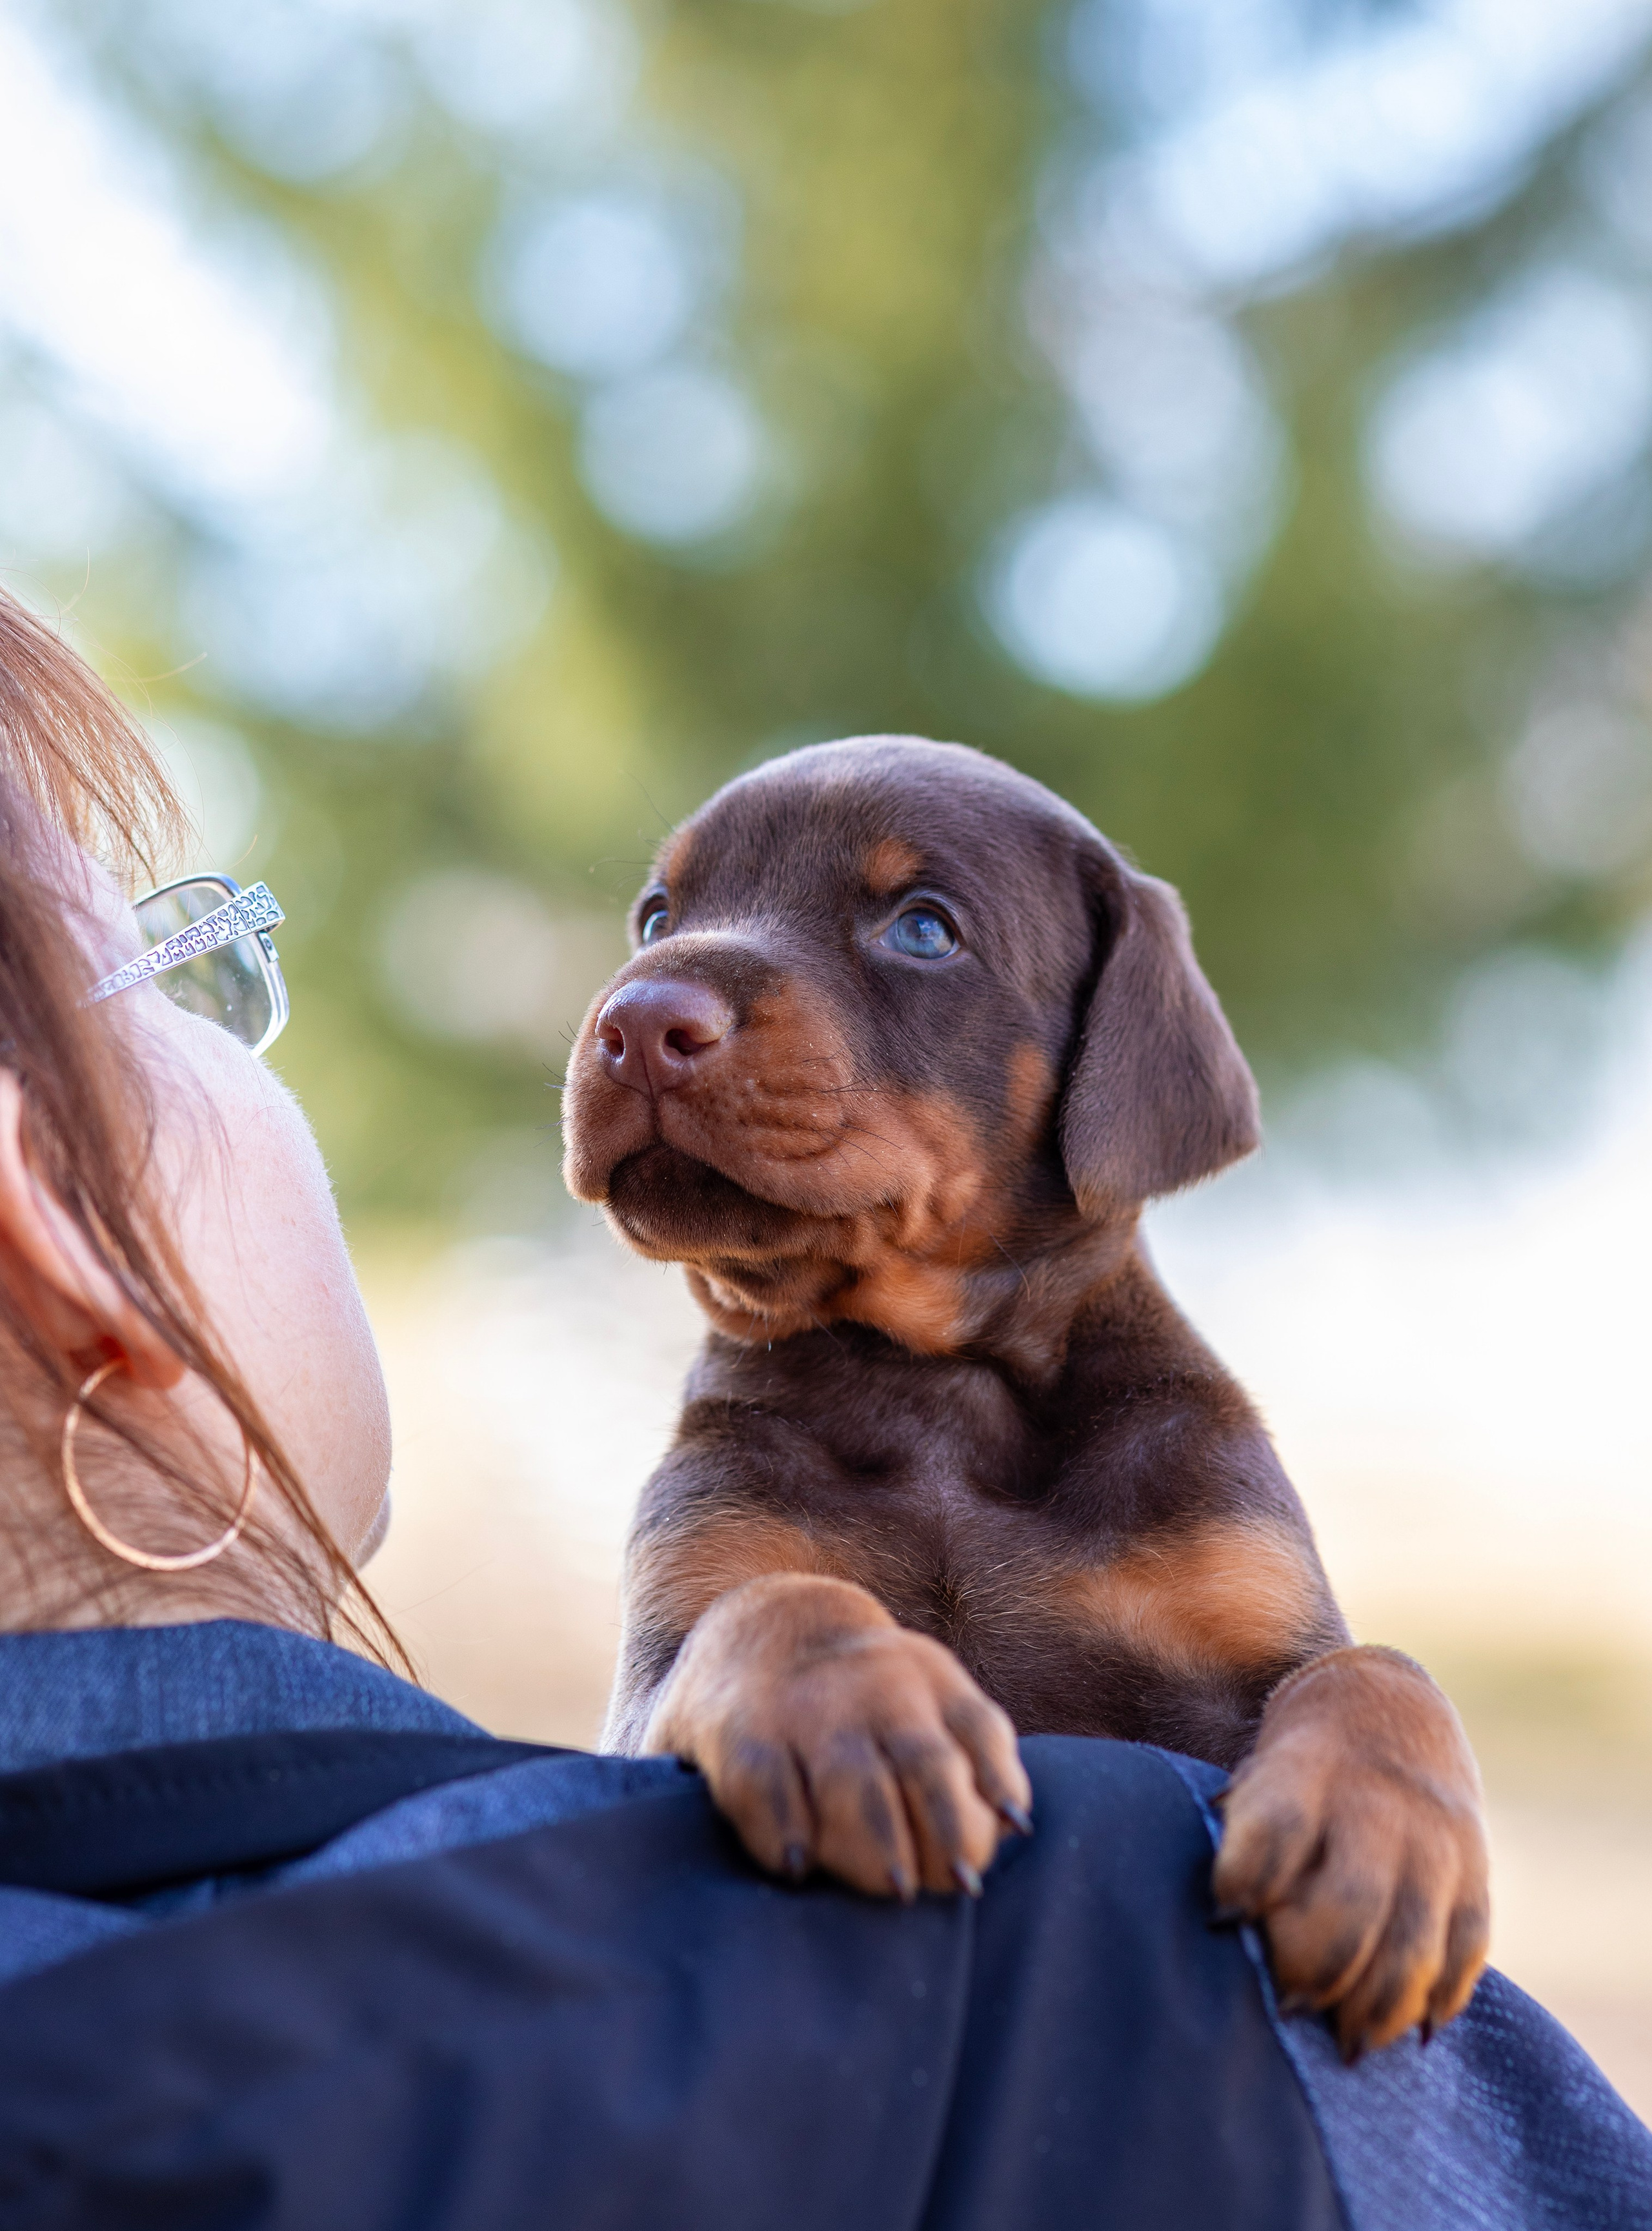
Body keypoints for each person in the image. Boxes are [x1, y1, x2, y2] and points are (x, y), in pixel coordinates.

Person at [0, 586, 1644, 2231]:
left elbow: (1301, 1710)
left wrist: (1380, 1725)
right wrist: (758, 1642)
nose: (664, 1001)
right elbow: (651, 1750)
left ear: (1111, 1073)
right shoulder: (735, 1485)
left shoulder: (1183, 1477)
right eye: (660, 924)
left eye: (918, 926)